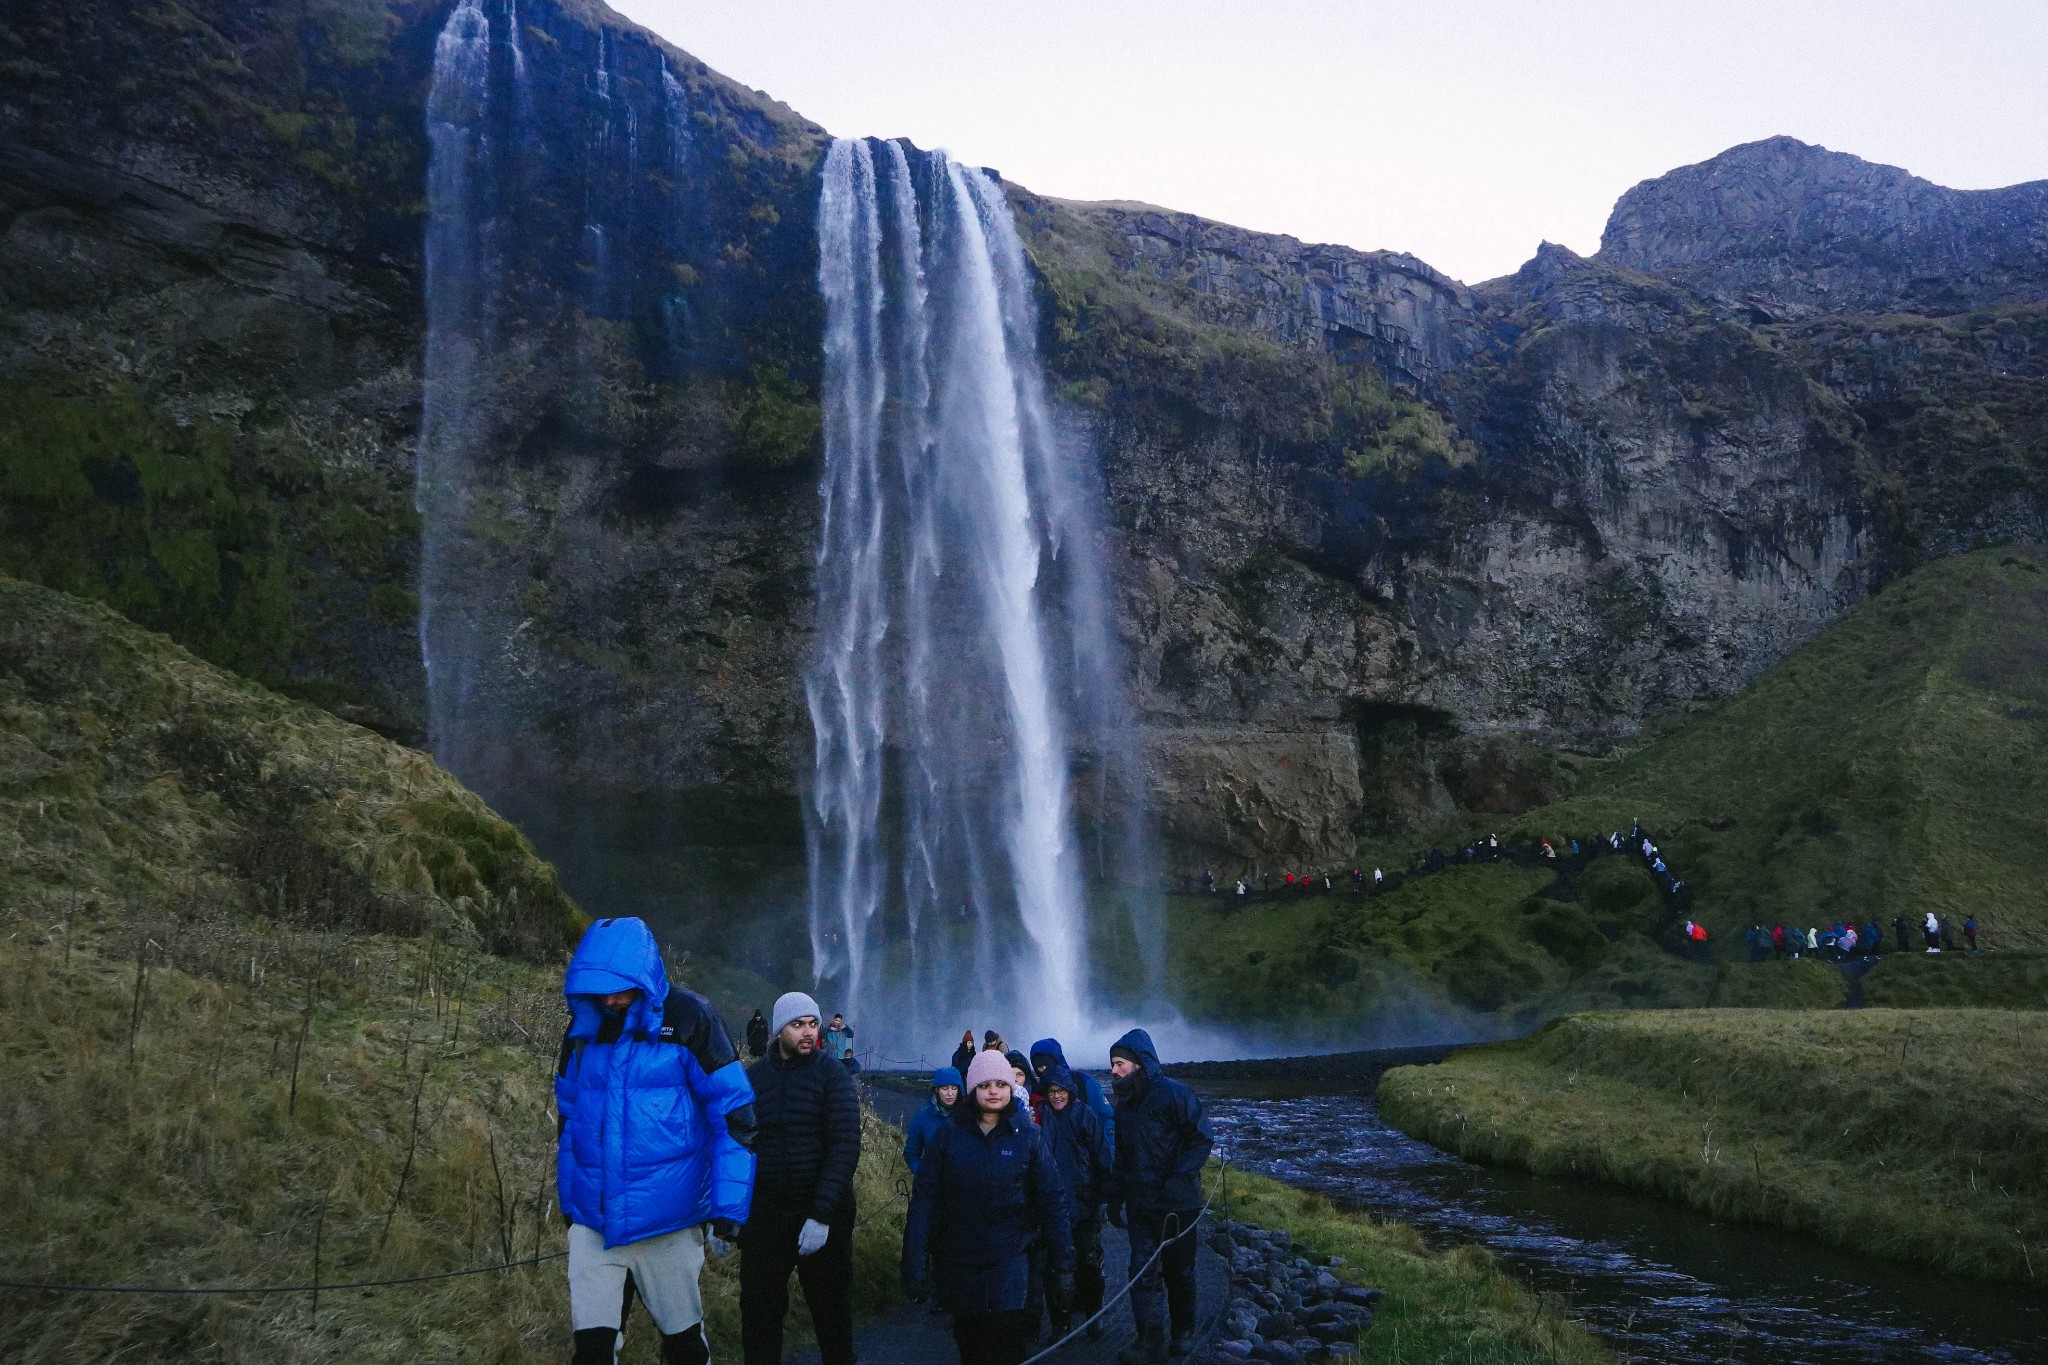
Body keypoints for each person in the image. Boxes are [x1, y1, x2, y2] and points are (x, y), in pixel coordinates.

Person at [555, 917, 757, 1365]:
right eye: (600, 988)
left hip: (669, 1220)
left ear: (643, 975)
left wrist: (728, 1209)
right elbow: (568, 1122)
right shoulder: (583, 1030)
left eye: (620, 988)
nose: (610, 999)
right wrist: (571, 1206)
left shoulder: (690, 1016)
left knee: (682, 1346)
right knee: (591, 1351)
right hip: (595, 1222)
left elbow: (734, 1114)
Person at [902, 1050, 1074, 1365]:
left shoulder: (1029, 1138)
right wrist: (914, 1261)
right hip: (961, 1257)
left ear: (1011, 1089)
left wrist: (1064, 1265)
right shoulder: (948, 1136)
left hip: (1012, 1258)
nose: (993, 1091)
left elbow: (1053, 1201)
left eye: (1000, 1084)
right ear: (972, 1091)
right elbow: (925, 1199)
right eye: (984, 1085)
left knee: (1007, 1342)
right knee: (969, 1341)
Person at [742, 992, 861, 1365]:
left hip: (823, 1213)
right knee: (759, 1316)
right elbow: (738, 1145)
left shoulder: (833, 1075)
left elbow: (845, 1144)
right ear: (779, 1030)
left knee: (832, 1317)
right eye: (798, 1025)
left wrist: (822, 1215)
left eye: (813, 1023)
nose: (808, 1032)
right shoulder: (754, 1079)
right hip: (767, 1215)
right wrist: (726, 1215)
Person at [1105, 1028, 1213, 1364]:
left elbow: (1201, 1138)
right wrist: (1115, 1195)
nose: (1113, 1070)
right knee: (1141, 1271)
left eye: (1119, 1063)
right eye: (1112, 1064)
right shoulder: (1123, 1107)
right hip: (1141, 1205)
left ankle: (1183, 1331)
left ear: (1138, 1064)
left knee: (1179, 1270)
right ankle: (1149, 1340)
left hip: (1178, 1204)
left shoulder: (1175, 1095)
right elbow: (1122, 1156)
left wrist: (1180, 1178)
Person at [1039, 1063, 1112, 1338]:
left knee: (1089, 1264)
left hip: (1084, 1204)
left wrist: (1104, 1199)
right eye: (1052, 1091)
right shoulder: (1043, 1117)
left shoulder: (1086, 1116)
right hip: (1053, 1207)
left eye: (1061, 1090)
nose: (1056, 1096)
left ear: (1070, 1090)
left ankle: (1094, 1316)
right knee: (1055, 1268)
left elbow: (1102, 1158)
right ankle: (1061, 1324)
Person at [905, 1067, 963, 1175]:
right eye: (945, 1088)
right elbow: (911, 1153)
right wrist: (924, 1174)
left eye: (954, 1088)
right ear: (936, 1089)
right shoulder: (922, 1116)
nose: (950, 1093)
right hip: (933, 1186)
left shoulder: (967, 1116)